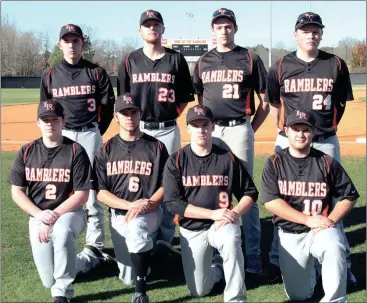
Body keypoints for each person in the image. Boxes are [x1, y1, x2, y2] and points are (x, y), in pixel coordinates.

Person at [264, 12, 357, 285]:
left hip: (325, 140)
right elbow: (274, 105)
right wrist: (284, 133)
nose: (311, 35)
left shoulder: (335, 64)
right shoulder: (280, 65)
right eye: (306, 30)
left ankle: (340, 261)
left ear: (321, 34)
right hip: (288, 139)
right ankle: (277, 259)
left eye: (315, 30)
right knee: (284, 197)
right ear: (296, 34)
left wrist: (325, 130)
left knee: (331, 200)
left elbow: (340, 103)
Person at [192, 8, 268, 274]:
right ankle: (216, 251)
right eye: (219, 26)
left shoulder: (249, 58)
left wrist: (249, 129)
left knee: (247, 192)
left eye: (228, 26)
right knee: (212, 190)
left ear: (235, 29)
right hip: (212, 131)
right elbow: (199, 100)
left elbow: (265, 103)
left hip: (239, 127)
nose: (224, 30)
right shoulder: (203, 61)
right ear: (212, 30)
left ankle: (253, 254)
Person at [40, 24, 116, 274]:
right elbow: (45, 111)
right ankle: (62, 236)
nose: (72, 45)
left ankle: (95, 245)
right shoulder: (50, 74)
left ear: (83, 44)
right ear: (60, 45)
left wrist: (95, 131)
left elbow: (108, 106)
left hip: (89, 132)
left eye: (76, 40)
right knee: (63, 188)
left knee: (93, 190)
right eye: (67, 41)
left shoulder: (95, 72)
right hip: (63, 137)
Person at [261, 109, 359, 302]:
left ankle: (335, 299)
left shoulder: (326, 162)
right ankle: (314, 269)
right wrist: (307, 220)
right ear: (286, 131)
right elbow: (270, 201)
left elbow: (349, 196)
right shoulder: (274, 163)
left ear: (312, 132)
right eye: (296, 129)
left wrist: (330, 220)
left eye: (305, 129)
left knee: (334, 245)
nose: (300, 134)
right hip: (290, 233)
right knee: (299, 294)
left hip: (320, 231)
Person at [163, 105, 259, 302]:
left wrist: (236, 213)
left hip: (221, 224)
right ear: (188, 128)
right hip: (193, 228)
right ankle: (217, 268)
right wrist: (211, 214)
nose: (201, 130)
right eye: (195, 125)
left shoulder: (226, 158)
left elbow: (250, 192)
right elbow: (173, 203)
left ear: (213, 126)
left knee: (231, 239)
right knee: (199, 290)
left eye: (205, 124)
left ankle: (236, 298)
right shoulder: (176, 161)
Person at [117, 10, 195, 245]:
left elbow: (184, 97)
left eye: (156, 24)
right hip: (139, 129)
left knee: (171, 182)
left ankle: (165, 238)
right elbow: (122, 100)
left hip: (168, 128)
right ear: (140, 31)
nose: (152, 28)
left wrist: (169, 116)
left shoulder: (176, 59)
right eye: (147, 25)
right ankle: (144, 233)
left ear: (163, 29)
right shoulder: (130, 61)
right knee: (141, 179)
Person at [8, 100, 93, 303]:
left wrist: (52, 217)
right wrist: (39, 215)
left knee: (62, 233)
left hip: (70, 213)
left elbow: (82, 194)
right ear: (38, 122)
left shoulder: (75, 150)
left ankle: (62, 292)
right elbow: (16, 192)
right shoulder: (27, 151)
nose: (50, 123)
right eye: (45, 119)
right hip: (39, 216)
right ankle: (87, 259)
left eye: (54, 119)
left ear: (63, 121)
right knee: (48, 279)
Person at [93, 93, 169, 303]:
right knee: (127, 276)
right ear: (116, 116)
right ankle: (155, 251)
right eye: (124, 113)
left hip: (150, 212)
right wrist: (130, 206)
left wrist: (146, 206)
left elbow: (166, 186)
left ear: (140, 114)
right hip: (119, 215)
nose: (130, 117)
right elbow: (101, 192)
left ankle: (140, 293)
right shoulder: (106, 149)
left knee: (137, 230)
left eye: (133, 112)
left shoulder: (156, 147)